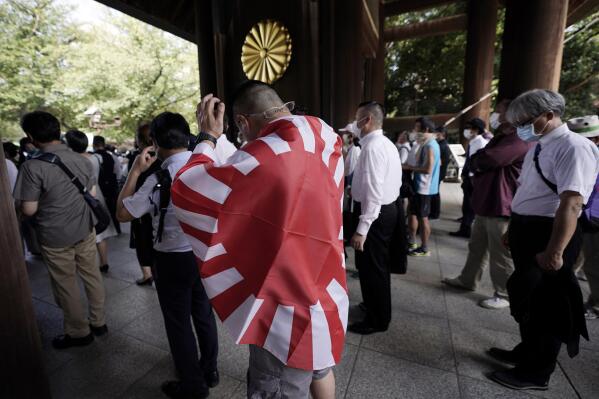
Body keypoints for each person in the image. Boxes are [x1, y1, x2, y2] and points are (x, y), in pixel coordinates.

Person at [171, 81, 347, 399]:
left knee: (277, 383)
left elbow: (187, 191)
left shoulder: (264, 156)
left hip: (286, 303)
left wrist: (207, 137)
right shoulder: (325, 137)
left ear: (242, 122)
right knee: (320, 366)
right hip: (326, 283)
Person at [487, 89, 599, 391]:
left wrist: (556, 250)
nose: (520, 127)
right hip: (528, 227)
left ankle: (536, 373)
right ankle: (526, 351)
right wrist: (514, 226)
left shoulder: (575, 147)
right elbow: (528, 190)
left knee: (549, 305)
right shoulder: (539, 145)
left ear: (549, 115)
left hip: (550, 232)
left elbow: (572, 203)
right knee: (528, 298)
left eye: (524, 121)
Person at [116, 112, 219, 399]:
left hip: (172, 258)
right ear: (187, 136)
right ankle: (210, 370)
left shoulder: (158, 179)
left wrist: (136, 171)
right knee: (203, 314)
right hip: (204, 254)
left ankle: (192, 384)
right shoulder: (208, 166)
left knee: (178, 322)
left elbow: (123, 213)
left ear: (154, 142)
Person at [13, 111, 107, 349]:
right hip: (85, 229)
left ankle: (79, 332)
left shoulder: (32, 167)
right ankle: (99, 322)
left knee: (66, 284)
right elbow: (91, 195)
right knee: (92, 275)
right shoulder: (82, 160)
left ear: (31, 136)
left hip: (54, 235)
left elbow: (30, 209)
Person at [442, 99, 531, 309]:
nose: (495, 115)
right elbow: (482, 157)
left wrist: (477, 159)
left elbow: (489, 159)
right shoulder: (503, 136)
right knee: (477, 246)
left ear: (513, 114)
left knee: (500, 253)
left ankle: (504, 293)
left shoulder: (518, 138)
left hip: (502, 203)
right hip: (488, 202)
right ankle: (468, 279)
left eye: (499, 111)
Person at [348, 101, 402, 335]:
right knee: (373, 265)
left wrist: (362, 228)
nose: (353, 124)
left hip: (376, 214)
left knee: (373, 268)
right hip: (385, 209)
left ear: (367, 120)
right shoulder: (383, 142)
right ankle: (372, 305)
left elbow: (373, 190)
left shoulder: (372, 147)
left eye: (356, 118)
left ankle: (377, 319)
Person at [65, 130, 118, 274]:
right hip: (97, 192)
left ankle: (87, 265)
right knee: (101, 229)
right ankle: (104, 261)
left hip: (81, 195)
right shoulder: (95, 158)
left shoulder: (72, 161)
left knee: (86, 230)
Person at [567, 115, 599, 320]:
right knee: (576, 260)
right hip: (585, 218)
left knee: (594, 264)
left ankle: (596, 305)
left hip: (594, 220)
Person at [127, 123, 159, 286]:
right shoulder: (162, 157)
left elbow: (130, 191)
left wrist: (135, 171)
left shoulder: (138, 159)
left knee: (143, 242)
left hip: (141, 209)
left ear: (140, 140)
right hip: (160, 208)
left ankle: (148, 274)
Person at [404, 117, 441, 256]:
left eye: (417, 128)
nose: (415, 131)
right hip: (420, 186)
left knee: (422, 217)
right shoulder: (428, 143)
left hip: (425, 187)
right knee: (413, 213)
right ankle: (412, 241)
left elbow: (428, 169)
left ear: (425, 129)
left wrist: (410, 167)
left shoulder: (430, 145)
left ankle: (424, 248)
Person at [451, 117, 489, 238]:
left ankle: (466, 229)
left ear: (476, 130)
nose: (466, 130)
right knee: (467, 204)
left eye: (469, 128)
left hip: (473, 179)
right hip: (469, 177)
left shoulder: (480, 143)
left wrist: (472, 178)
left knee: (469, 205)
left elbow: (478, 162)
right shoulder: (474, 142)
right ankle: (465, 227)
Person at [93, 135, 122, 234]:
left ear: (94, 144)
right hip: (112, 186)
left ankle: (104, 230)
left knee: (100, 209)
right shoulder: (111, 156)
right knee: (113, 208)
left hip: (100, 187)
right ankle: (117, 229)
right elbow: (117, 171)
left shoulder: (93, 157)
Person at [430, 126, 451, 219]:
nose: (434, 134)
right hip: (439, 172)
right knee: (435, 192)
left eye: (436, 132)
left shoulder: (442, 145)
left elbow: (440, 161)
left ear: (442, 134)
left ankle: (435, 213)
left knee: (435, 193)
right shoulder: (441, 144)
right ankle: (434, 212)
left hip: (439, 172)